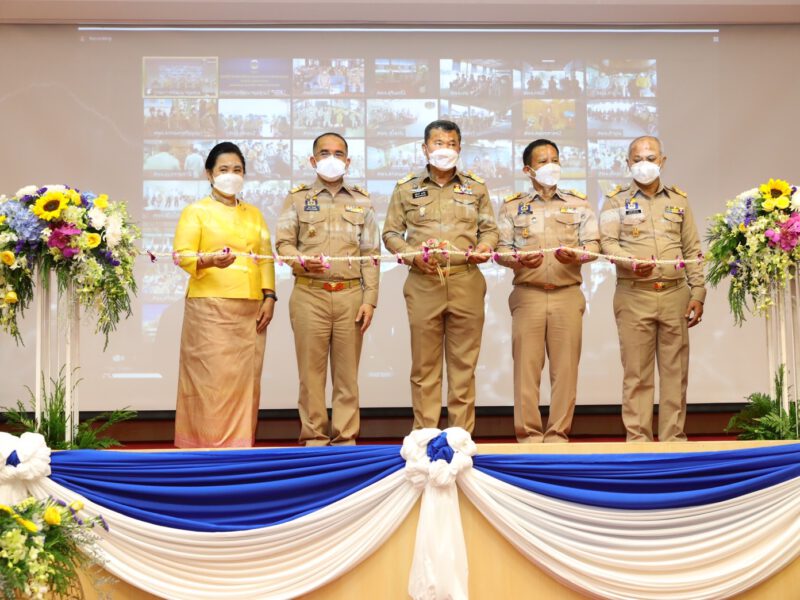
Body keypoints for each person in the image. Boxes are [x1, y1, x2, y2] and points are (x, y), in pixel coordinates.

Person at [382, 119, 498, 433]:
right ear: (425, 148)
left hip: (466, 279)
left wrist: (485, 247)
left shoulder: (475, 186)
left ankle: (461, 439)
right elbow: (391, 232)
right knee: (424, 368)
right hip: (423, 281)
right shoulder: (407, 187)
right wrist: (411, 255)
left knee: (463, 368)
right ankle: (425, 437)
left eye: (450, 145)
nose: (444, 150)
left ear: (459, 149)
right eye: (437, 144)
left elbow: (489, 230)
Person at [275, 132, 379, 446]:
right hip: (310, 294)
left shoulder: (362, 200)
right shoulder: (296, 198)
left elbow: (371, 253)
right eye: (324, 153)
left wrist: (370, 299)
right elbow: (282, 244)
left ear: (348, 161)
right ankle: (315, 441)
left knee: (347, 378)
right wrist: (301, 261)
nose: (331, 158)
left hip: (350, 295)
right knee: (311, 376)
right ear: (313, 160)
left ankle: (346, 440)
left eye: (337, 153)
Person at [599, 135, 705, 442]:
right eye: (637, 159)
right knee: (637, 375)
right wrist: (629, 261)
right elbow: (607, 243)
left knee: (675, 374)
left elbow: (692, 248)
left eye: (650, 158)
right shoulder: (615, 200)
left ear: (662, 161)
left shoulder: (679, 201)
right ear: (628, 163)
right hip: (634, 294)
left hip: (675, 294)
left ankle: (673, 442)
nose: (644, 164)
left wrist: (698, 292)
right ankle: (638, 445)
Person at [172, 141, 276, 448]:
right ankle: (202, 447)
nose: (231, 175)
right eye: (224, 170)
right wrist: (209, 259)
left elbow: (266, 256)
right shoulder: (196, 212)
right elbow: (181, 255)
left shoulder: (254, 214)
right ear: (209, 174)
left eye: (237, 170)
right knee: (209, 382)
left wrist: (269, 296)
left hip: (250, 308)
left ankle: (240, 446)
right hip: (209, 306)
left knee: (246, 382)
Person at [496, 139, 600, 443]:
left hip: (567, 294)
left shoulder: (578, 203)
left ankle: (558, 435)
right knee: (526, 371)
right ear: (528, 169)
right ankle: (528, 435)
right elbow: (501, 250)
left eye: (555, 159)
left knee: (565, 370)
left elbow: (594, 245)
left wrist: (578, 255)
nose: (550, 165)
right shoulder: (512, 206)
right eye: (543, 161)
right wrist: (517, 259)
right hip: (527, 294)